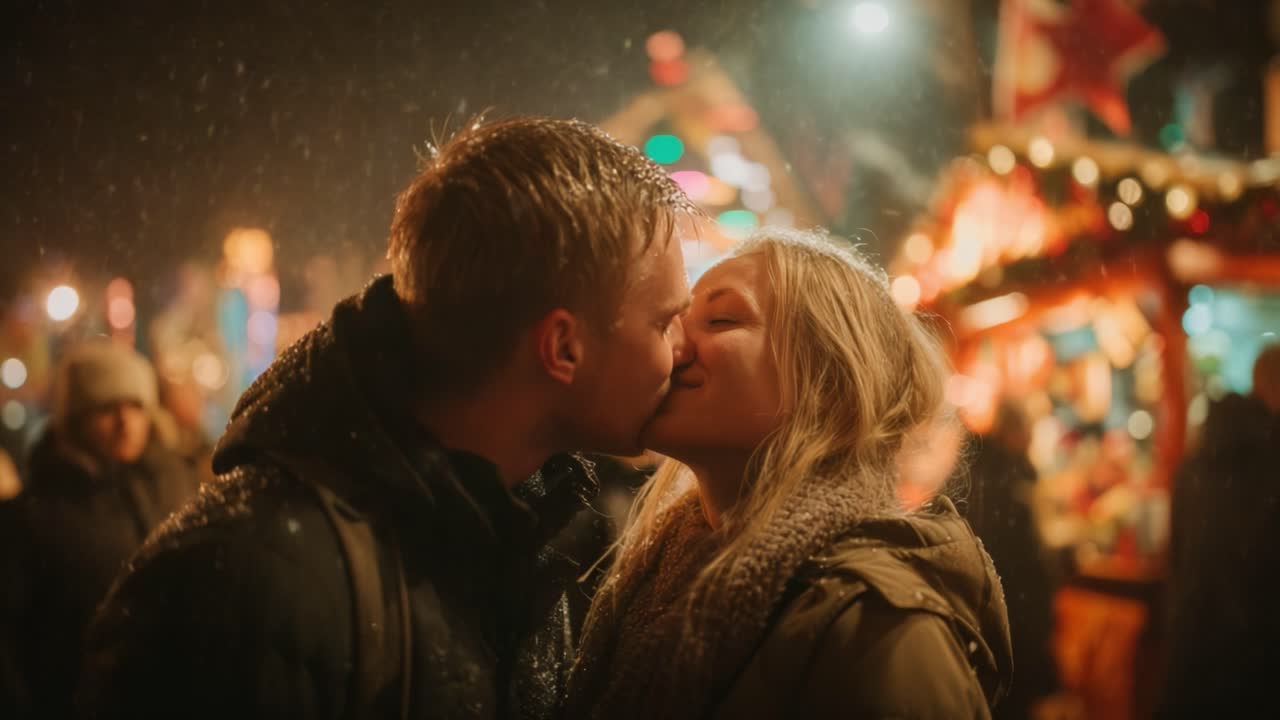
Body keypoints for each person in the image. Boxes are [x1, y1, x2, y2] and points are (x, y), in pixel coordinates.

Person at [79, 116, 696, 719]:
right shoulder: (243, 585)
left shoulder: (529, 527)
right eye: (663, 320)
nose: (682, 347)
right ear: (562, 347)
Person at [565, 229, 1013, 720]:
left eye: (721, 319)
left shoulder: (879, 630)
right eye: (675, 320)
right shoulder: (660, 577)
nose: (672, 345)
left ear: (830, 382)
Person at [1, 341, 199, 719]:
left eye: (135, 406)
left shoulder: (179, 486)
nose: (125, 422)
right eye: (106, 409)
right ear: (75, 421)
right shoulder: (31, 518)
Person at [1159, 344, 1280, 718]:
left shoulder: (1196, 462)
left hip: (1191, 657)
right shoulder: (1271, 466)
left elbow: (1175, 560)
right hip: (1256, 668)